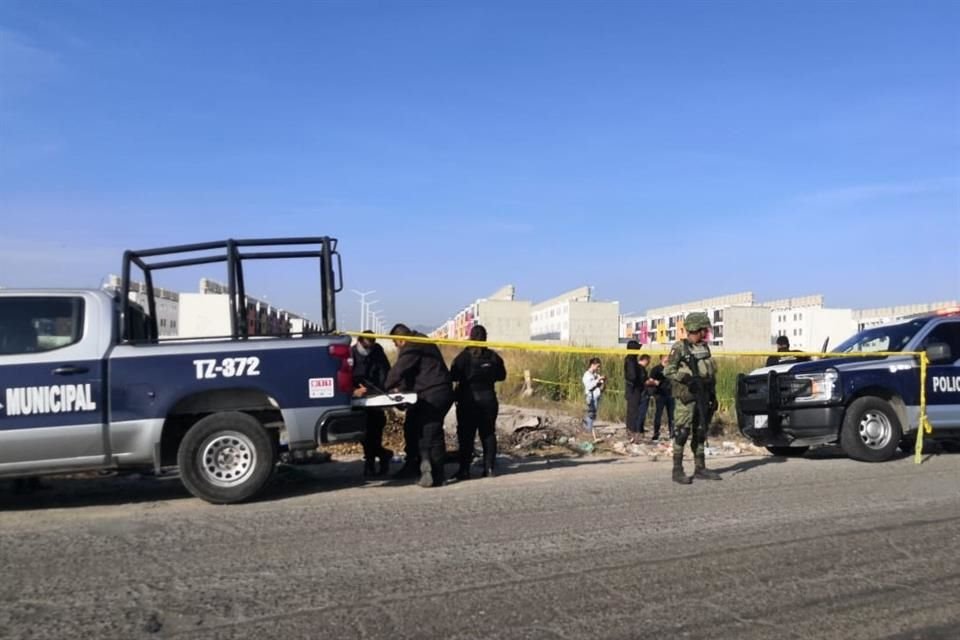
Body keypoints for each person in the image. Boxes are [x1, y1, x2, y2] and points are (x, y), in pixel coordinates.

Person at [384, 323, 454, 488]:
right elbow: (410, 373)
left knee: (430, 433)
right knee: (412, 428)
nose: (397, 348)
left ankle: (437, 475)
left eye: (396, 344)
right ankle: (414, 466)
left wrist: (384, 387)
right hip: (424, 394)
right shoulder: (419, 341)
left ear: (400, 339)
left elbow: (400, 369)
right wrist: (400, 391)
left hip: (435, 393)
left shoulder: (413, 343)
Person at [664, 312, 722, 484]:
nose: (706, 333)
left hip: (704, 395)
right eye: (704, 329)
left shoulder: (704, 347)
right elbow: (668, 371)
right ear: (697, 328)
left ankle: (700, 467)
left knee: (701, 430)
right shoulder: (680, 347)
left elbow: (710, 372)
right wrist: (687, 379)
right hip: (687, 396)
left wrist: (713, 394)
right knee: (682, 431)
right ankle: (677, 470)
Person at [450, 325, 507, 480]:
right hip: (489, 399)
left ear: (471, 337)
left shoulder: (464, 356)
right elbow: (502, 376)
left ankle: (464, 470)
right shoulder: (493, 357)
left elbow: (453, 374)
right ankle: (489, 469)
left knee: (466, 436)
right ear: (485, 338)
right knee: (488, 433)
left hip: (467, 400)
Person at [351, 330, 394, 477]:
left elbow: (385, 373)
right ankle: (380, 456)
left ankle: (373, 462)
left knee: (375, 432)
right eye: (365, 347)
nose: (367, 351)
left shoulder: (377, 353)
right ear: (359, 342)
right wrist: (354, 390)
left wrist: (386, 392)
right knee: (364, 435)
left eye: (370, 347)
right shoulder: (351, 354)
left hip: (376, 399)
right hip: (358, 400)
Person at [650, 354, 675, 441]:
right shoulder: (656, 369)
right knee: (658, 414)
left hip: (671, 395)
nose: (667, 360)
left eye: (668, 358)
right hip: (660, 395)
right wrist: (655, 383)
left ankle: (672, 433)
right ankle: (656, 433)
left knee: (672, 415)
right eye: (665, 358)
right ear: (661, 359)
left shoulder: (672, 369)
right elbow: (650, 380)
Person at [582, 357, 605, 435]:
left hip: (596, 396)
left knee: (593, 413)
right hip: (590, 396)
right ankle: (588, 429)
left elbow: (600, 384)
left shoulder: (595, 374)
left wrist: (602, 381)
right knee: (591, 413)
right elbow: (589, 386)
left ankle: (588, 427)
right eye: (597, 366)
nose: (598, 368)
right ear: (593, 365)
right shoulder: (587, 375)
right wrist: (597, 381)